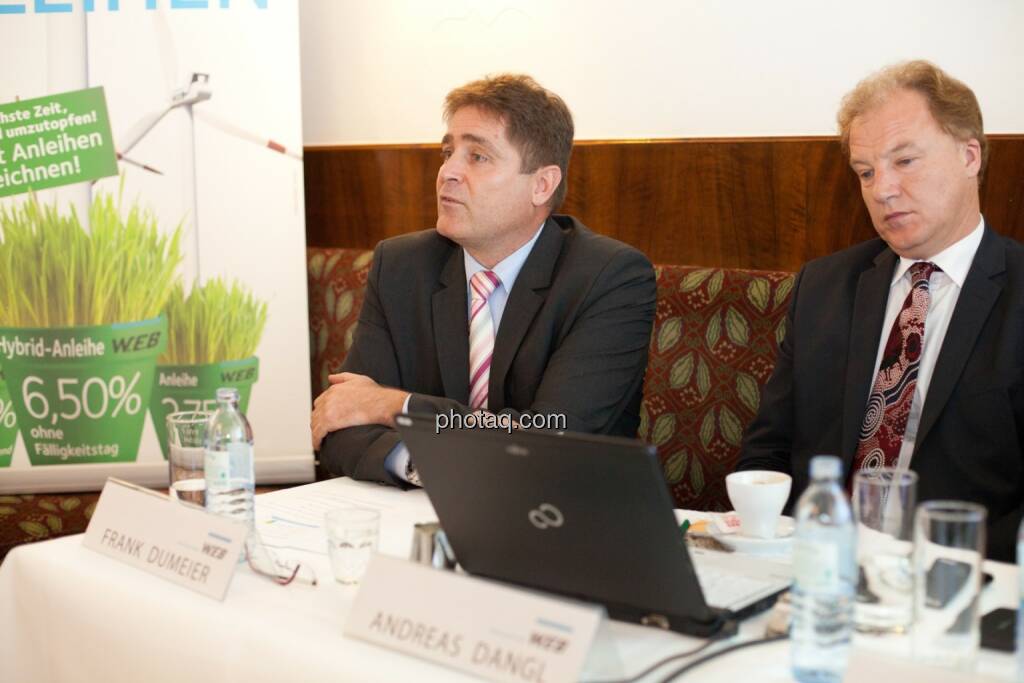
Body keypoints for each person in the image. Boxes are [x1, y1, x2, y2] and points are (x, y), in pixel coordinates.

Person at [737, 60, 1024, 561]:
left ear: (969, 156)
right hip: (816, 567)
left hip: (962, 573)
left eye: (905, 161)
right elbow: (769, 449)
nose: (882, 189)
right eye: (866, 172)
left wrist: (951, 566)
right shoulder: (824, 286)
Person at [311, 74, 657, 487]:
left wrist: (396, 406)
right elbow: (340, 420)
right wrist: (419, 465)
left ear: (542, 185)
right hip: (417, 510)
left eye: (477, 156)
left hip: (563, 514)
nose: (448, 172)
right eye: (448, 152)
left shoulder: (609, 278)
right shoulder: (401, 266)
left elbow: (551, 438)